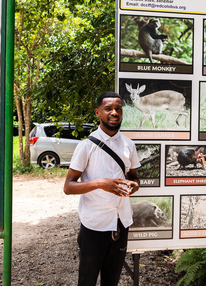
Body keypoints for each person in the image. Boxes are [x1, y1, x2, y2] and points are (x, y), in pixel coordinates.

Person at [64, 91, 140, 286]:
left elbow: (134, 178)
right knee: (87, 280)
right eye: (108, 109)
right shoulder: (86, 146)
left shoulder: (128, 145)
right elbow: (68, 186)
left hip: (121, 222)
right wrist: (100, 184)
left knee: (111, 281)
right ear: (98, 113)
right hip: (94, 225)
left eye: (118, 109)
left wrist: (133, 186)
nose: (114, 113)